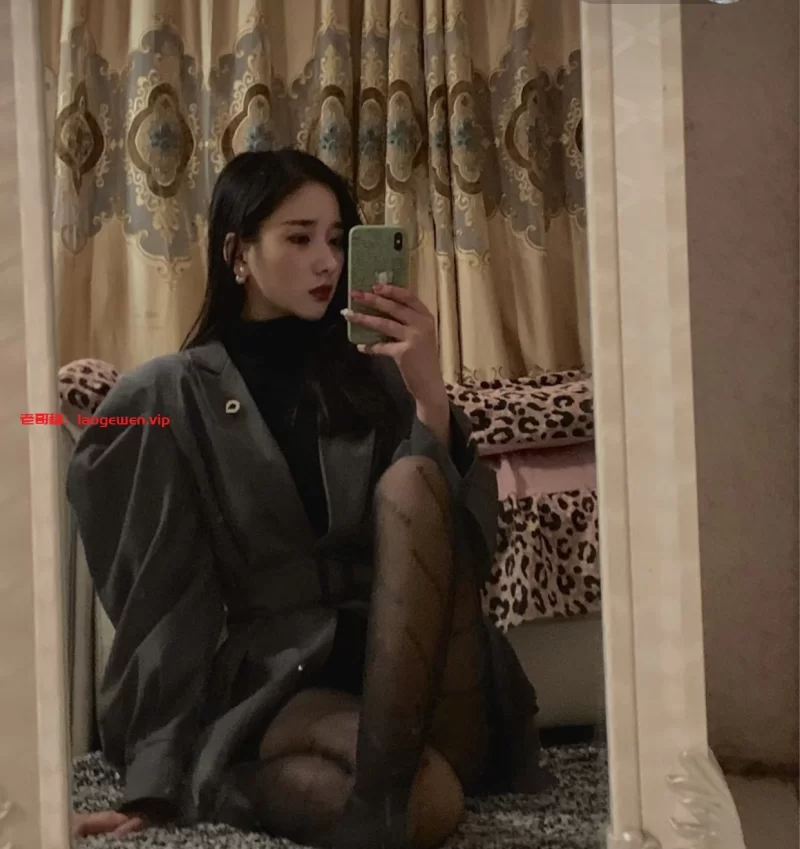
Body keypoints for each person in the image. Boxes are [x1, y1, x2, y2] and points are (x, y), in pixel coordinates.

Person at [67, 149, 553, 849]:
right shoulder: (168, 395)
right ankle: (314, 795)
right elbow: (163, 596)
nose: (327, 262)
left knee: (412, 481)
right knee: (429, 804)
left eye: (336, 239)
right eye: (299, 238)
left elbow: (462, 556)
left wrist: (429, 395)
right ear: (237, 253)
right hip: (290, 679)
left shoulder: (374, 375)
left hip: (424, 670)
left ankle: (316, 798)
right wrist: (156, 780)